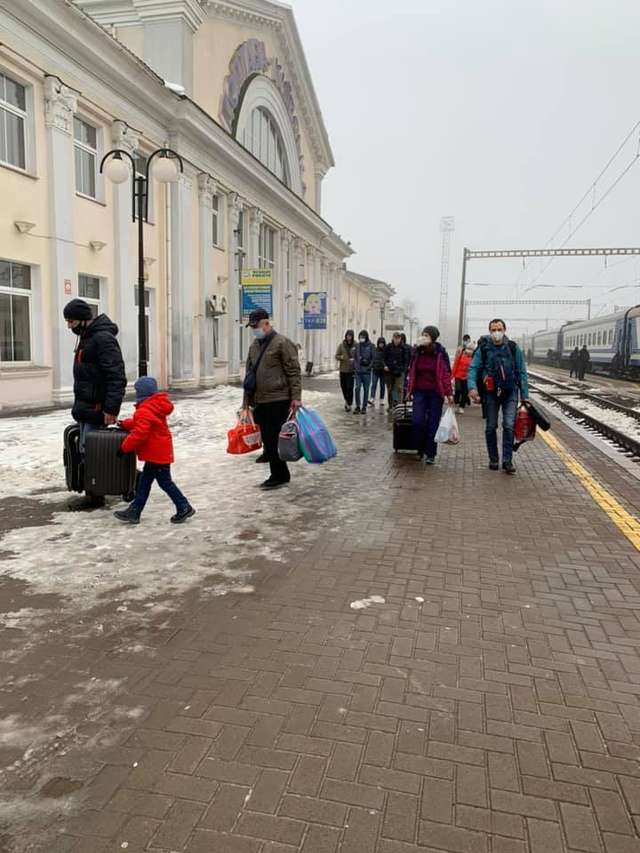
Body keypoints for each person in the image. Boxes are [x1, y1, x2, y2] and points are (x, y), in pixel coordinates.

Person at [63, 298, 127, 510]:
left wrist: (111, 409)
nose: (69, 326)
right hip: (85, 407)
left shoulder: (103, 339)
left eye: (71, 321)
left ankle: (96, 496)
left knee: (92, 452)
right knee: (86, 450)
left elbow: (116, 376)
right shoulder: (86, 338)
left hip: (97, 407)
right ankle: (108, 486)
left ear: (83, 320)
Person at [113, 377, 195, 524]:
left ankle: (184, 506)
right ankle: (135, 511)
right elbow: (142, 423)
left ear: (141, 394)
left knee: (165, 483)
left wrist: (124, 448)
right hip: (158, 453)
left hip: (156, 454)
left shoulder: (144, 410)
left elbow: (140, 433)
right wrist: (124, 423)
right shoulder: (154, 407)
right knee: (145, 483)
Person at [243, 308, 302, 490]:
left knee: (273, 439)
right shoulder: (254, 346)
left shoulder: (282, 343)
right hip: (260, 400)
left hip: (279, 398)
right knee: (267, 440)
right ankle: (278, 473)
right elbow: (249, 375)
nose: (255, 329)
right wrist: (245, 402)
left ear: (266, 324)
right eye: (252, 327)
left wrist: (296, 398)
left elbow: (294, 372)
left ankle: (279, 475)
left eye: (257, 326)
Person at [468, 318, 529, 475]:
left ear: (504, 330)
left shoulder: (513, 348)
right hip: (491, 393)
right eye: (493, 329)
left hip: (510, 392)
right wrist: (472, 387)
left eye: (499, 329)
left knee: (508, 425)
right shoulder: (483, 349)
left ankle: (507, 460)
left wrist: (525, 395)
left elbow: (522, 372)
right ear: (489, 331)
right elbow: (473, 368)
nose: (496, 332)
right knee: (491, 427)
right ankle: (494, 458)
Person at [406, 326, 453, 464]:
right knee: (418, 421)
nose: (423, 337)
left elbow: (445, 374)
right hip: (419, 392)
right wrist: (408, 390)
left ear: (433, 338)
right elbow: (411, 372)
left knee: (433, 423)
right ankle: (420, 448)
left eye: (426, 335)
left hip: (435, 393)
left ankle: (430, 453)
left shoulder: (440, 353)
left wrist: (449, 392)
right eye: (423, 334)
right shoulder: (416, 352)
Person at [384, 332, 408, 408]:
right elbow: (384, 358)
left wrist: (403, 369)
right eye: (395, 338)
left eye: (398, 338)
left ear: (400, 339)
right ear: (393, 338)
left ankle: (399, 405)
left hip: (400, 372)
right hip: (389, 371)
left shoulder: (403, 348)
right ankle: (390, 405)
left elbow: (406, 360)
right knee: (390, 389)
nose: (396, 340)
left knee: (399, 389)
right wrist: (385, 366)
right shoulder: (388, 347)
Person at [353, 330, 374, 414]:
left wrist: (369, 367)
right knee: (357, 388)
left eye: (362, 337)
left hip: (367, 372)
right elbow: (354, 357)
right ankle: (358, 406)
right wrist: (356, 366)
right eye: (360, 337)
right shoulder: (357, 346)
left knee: (366, 390)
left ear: (366, 337)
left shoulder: (371, 346)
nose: (361, 339)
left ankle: (364, 407)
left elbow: (373, 359)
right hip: (358, 371)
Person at [335, 330, 355, 412]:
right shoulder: (341, 345)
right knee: (343, 387)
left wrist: (355, 359)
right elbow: (336, 356)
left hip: (351, 370)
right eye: (347, 335)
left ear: (352, 336)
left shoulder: (356, 345)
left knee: (350, 387)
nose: (349, 337)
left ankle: (349, 403)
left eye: (350, 336)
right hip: (343, 370)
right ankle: (346, 400)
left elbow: (359, 355)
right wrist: (341, 357)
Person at [451, 340, 473, 414]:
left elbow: (473, 369)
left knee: (465, 392)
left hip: (467, 377)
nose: (469, 351)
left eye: (471, 350)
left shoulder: (473, 358)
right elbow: (455, 365)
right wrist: (451, 376)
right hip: (458, 376)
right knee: (458, 389)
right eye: (468, 349)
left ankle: (461, 407)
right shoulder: (460, 355)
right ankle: (456, 402)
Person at [370, 337, 387, 406]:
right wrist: (372, 365)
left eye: (382, 343)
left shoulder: (386, 351)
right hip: (375, 370)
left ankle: (382, 399)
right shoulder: (375, 350)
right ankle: (372, 398)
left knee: (382, 386)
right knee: (373, 385)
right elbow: (373, 359)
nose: (381, 345)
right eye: (380, 343)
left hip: (383, 371)